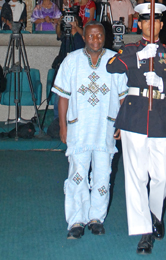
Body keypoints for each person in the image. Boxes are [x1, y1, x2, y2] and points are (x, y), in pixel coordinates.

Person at [107, 3, 166, 255]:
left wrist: (164, 83)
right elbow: (112, 66)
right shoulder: (130, 49)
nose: (151, 25)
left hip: (162, 116)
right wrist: (140, 57)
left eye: (155, 21)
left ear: (161, 25)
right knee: (136, 176)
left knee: (164, 175)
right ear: (140, 24)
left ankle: (155, 214)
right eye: (146, 21)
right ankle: (144, 231)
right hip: (134, 116)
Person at [52, 22, 127, 239]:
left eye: (100, 36)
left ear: (105, 37)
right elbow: (63, 96)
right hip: (79, 128)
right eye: (91, 36)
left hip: (106, 127)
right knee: (77, 174)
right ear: (84, 37)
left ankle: (96, 218)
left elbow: (123, 96)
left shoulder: (115, 60)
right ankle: (76, 219)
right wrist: (63, 126)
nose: (96, 40)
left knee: (103, 174)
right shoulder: (71, 60)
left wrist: (122, 123)